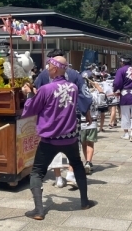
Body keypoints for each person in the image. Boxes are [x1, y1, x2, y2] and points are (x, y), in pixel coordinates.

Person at [22, 56, 92, 220]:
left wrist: (29, 95)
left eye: (48, 67)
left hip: (50, 139)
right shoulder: (73, 87)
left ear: (53, 69)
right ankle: (85, 201)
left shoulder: (46, 89)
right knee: (78, 165)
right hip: (69, 137)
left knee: (37, 172)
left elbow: (32, 109)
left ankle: (39, 210)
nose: (47, 69)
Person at [34, 49, 92, 188]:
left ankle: (58, 177)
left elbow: (37, 91)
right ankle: (71, 174)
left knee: (52, 145)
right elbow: (84, 94)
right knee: (72, 145)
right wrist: (87, 112)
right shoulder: (74, 74)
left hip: (51, 116)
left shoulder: (44, 74)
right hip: (72, 114)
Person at [113, 55, 132, 142]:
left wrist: (115, 90)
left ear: (122, 62)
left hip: (125, 93)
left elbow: (117, 83)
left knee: (125, 114)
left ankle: (126, 133)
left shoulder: (121, 70)